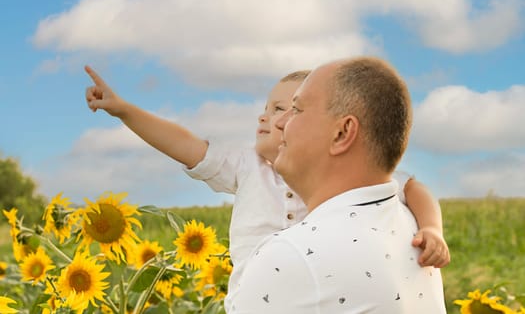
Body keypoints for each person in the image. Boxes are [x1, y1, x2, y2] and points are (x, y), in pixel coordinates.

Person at [84, 65, 449, 311]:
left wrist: (432, 229)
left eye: (288, 109)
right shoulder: (249, 168)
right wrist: (125, 111)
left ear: (339, 132)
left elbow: (413, 187)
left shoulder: (357, 195)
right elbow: (184, 144)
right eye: (268, 108)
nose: (266, 117)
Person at [229, 56, 447, 313]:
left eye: (297, 110)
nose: (279, 122)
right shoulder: (410, 224)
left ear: (342, 133)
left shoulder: (291, 255)